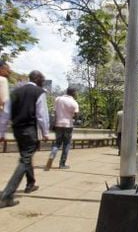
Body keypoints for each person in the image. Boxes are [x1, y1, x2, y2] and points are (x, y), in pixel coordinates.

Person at [0, 70, 49, 208]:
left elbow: (5, 113)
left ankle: (30, 183)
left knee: (25, 157)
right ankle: (6, 196)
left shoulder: (15, 92)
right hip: (29, 130)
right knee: (25, 160)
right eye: (42, 80)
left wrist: (1, 132)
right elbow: (42, 115)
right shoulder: (39, 92)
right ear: (38, 80)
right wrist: (45, 132)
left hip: (17, 130)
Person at [45, 87, 79, 170]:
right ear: (73, 93)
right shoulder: (74, 103)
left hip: (58, 124)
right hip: (68, 125)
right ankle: (62, 164)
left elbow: (55, 112)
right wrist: (73, 119)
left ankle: (52, 155)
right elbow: (77, 115)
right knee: (66, 144)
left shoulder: (58, 99)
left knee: (57, 143)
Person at [0, 61, 11, 142]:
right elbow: (5, 101)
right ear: (1, 69)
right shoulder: (3, 80)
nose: (9, 72)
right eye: (7, 70)